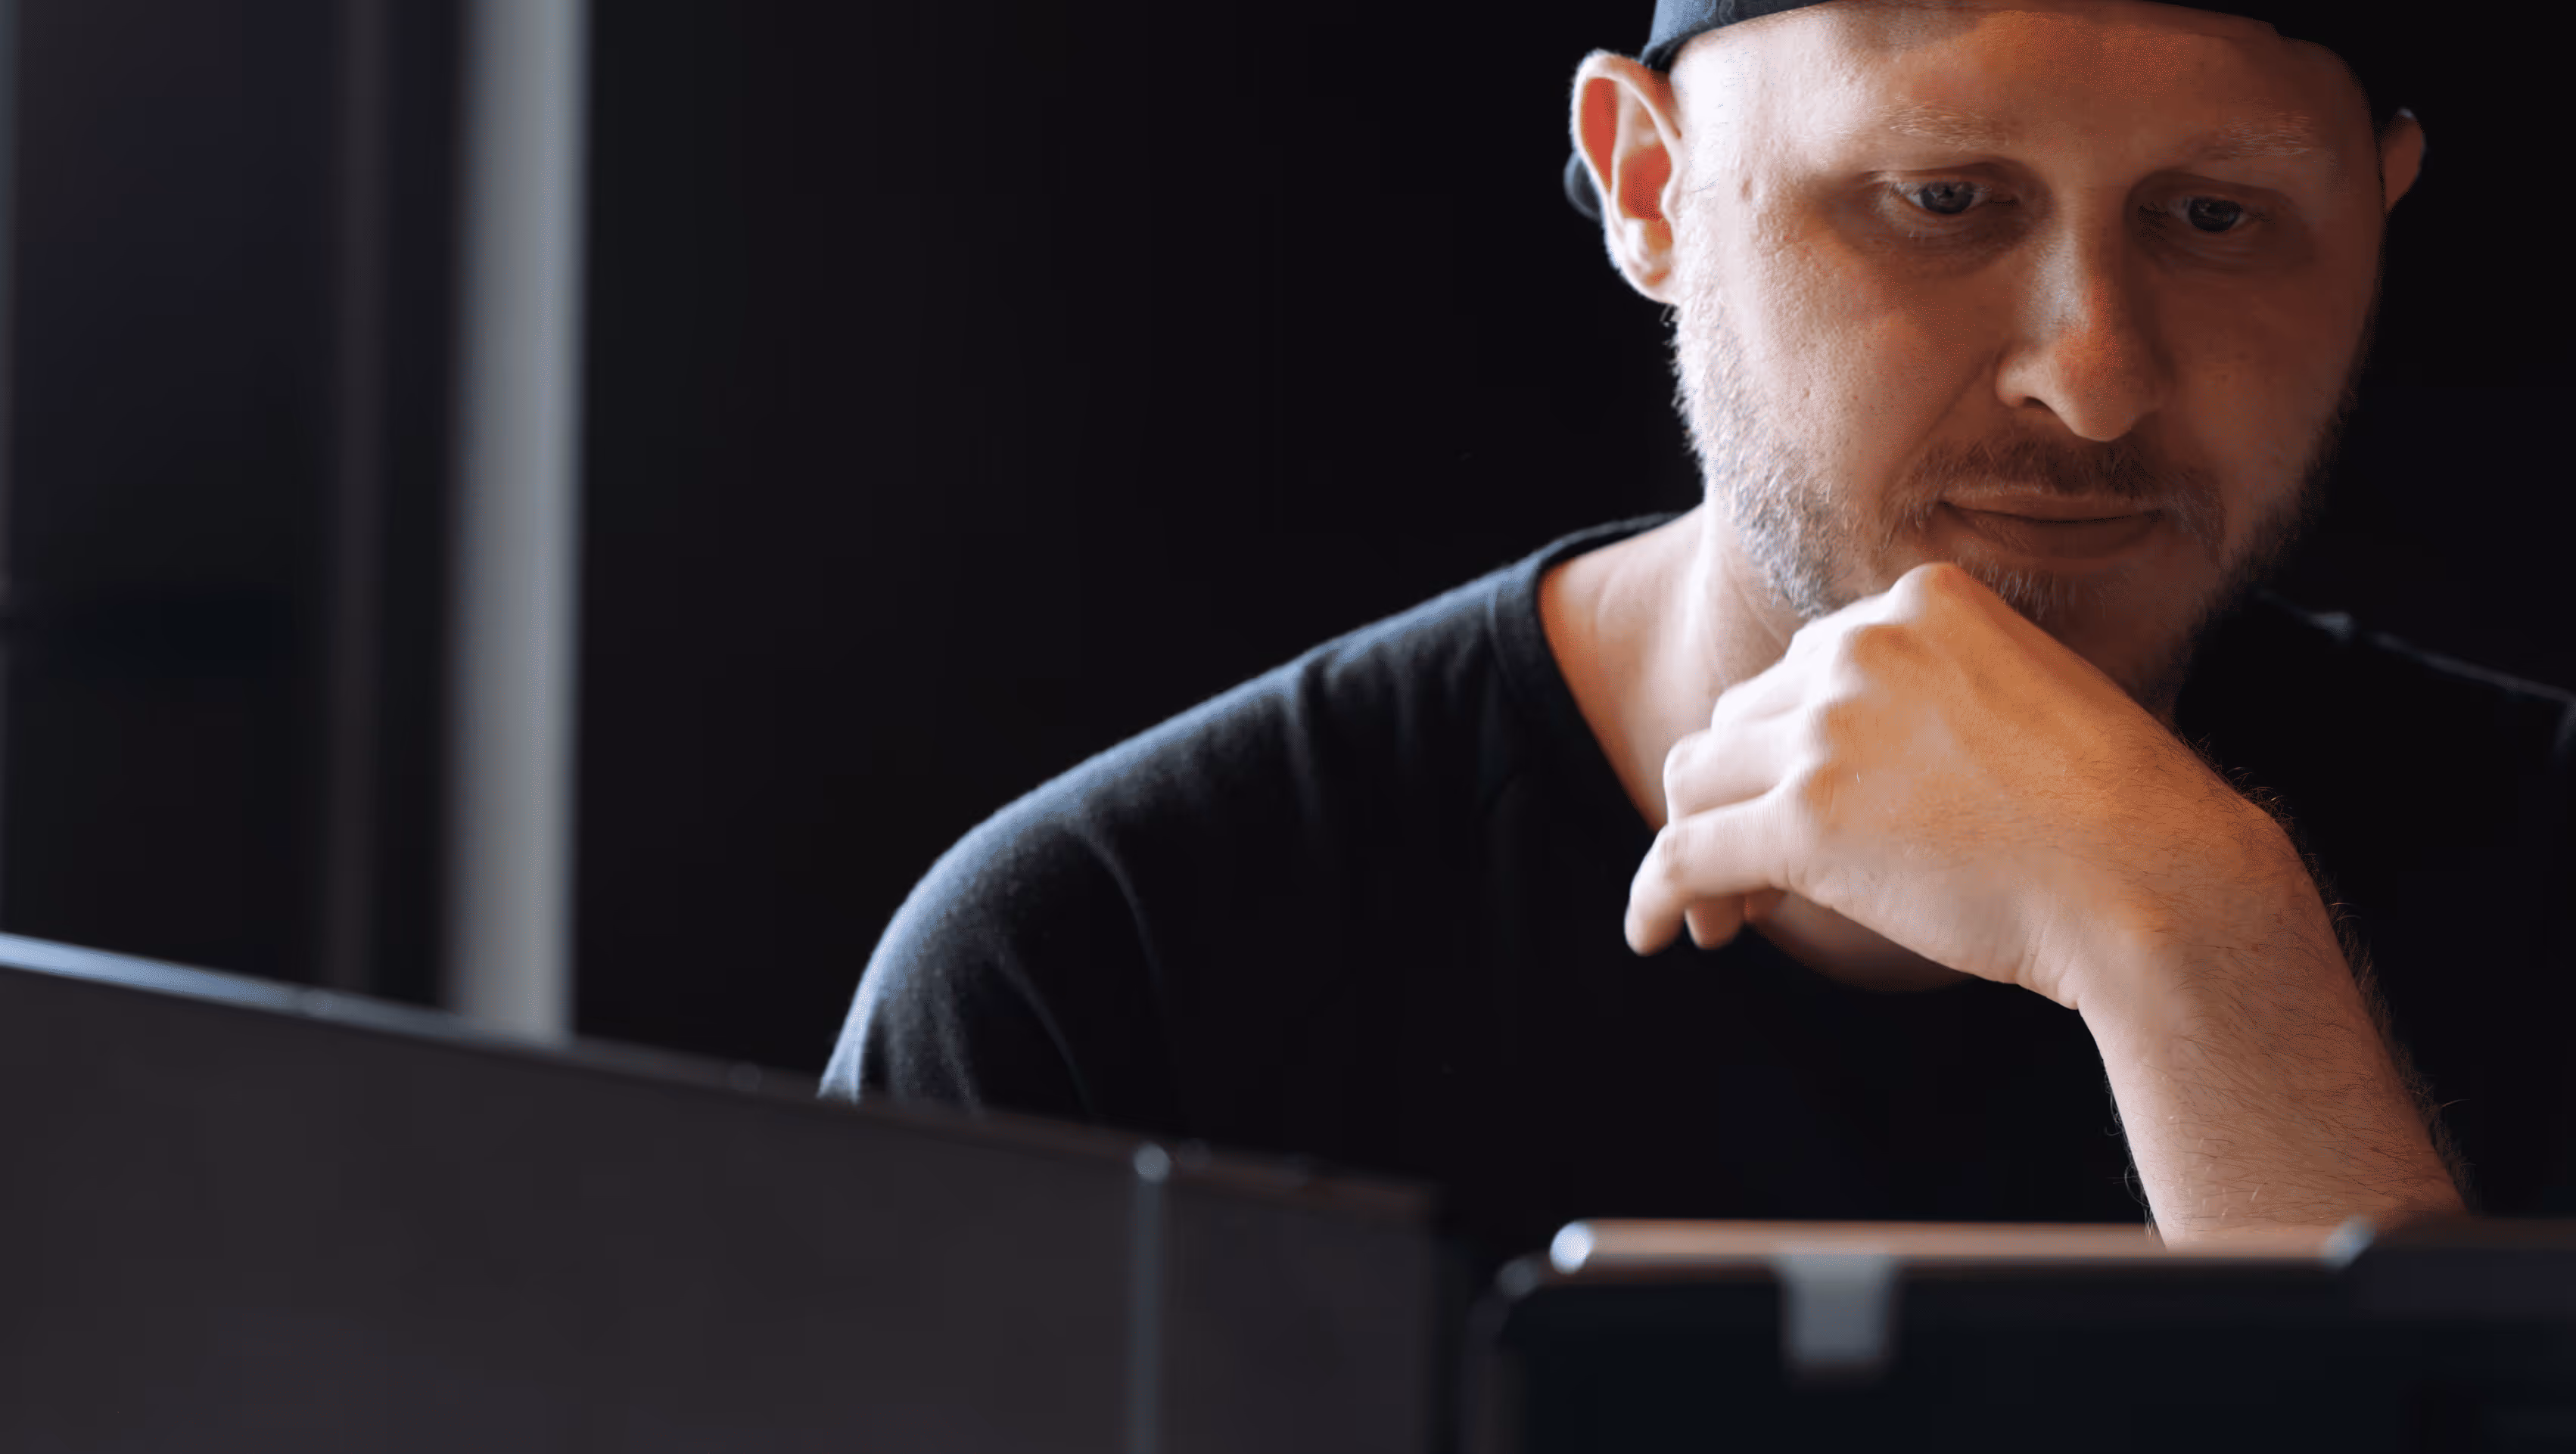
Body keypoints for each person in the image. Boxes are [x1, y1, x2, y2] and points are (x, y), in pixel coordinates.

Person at [823, 0, 2576, 1282]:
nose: (2093, 373)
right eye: (1942, 199)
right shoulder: (1102, 979)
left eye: (2216, 218)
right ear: (1648, 188)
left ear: (2376, 216)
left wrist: (2209, 964)